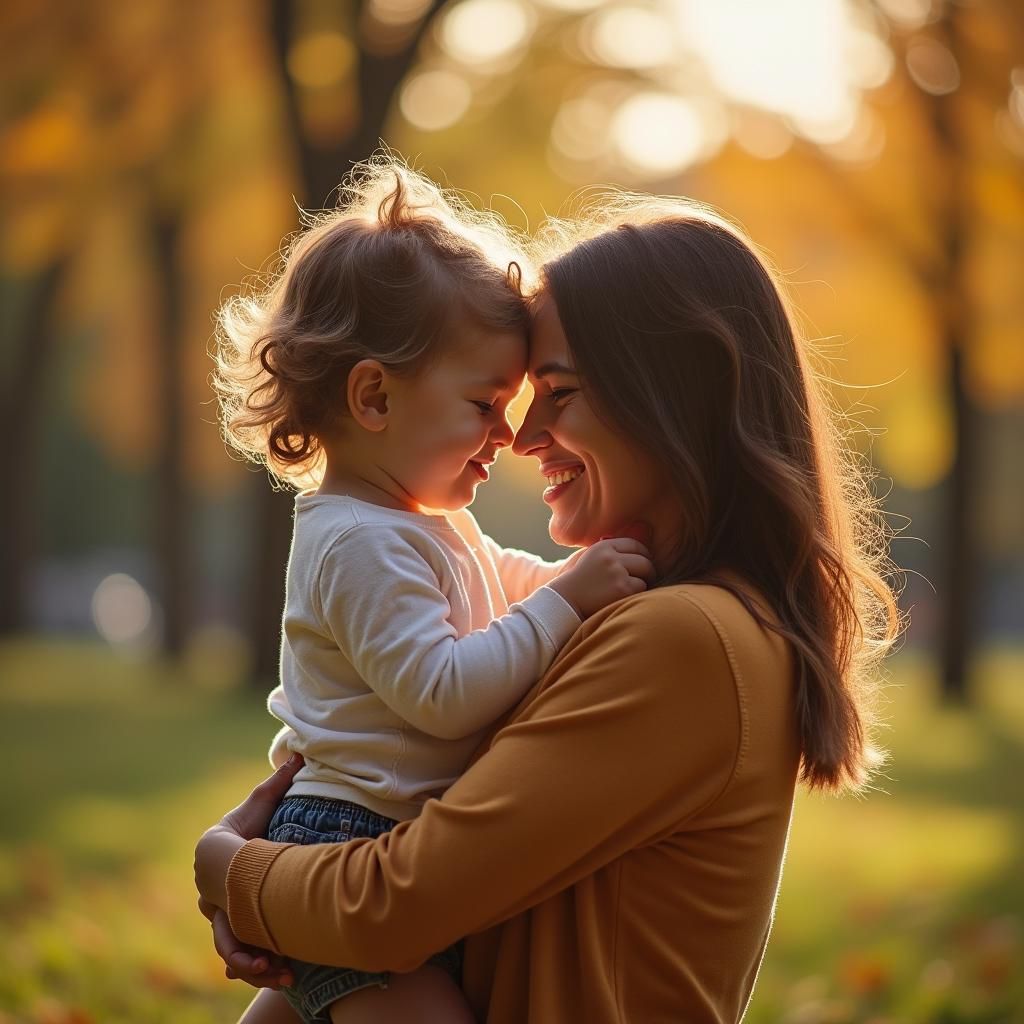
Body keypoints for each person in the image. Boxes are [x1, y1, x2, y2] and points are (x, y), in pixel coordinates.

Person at [197, 184, 900, 1023]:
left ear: (672, 402)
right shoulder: (670, 616)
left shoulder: (686, 638)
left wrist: (229, 871)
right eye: (500, 403)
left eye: (556, 395)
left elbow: (395, 906)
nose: (522, 440)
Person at [209, 163, 655, 1024]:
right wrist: (569, 603)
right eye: (485, 404)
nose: (507, 435)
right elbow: (442, 695)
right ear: (374, 395)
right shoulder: (358, 544)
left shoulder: (414, 519)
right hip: (348, 841)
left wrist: (571, 578)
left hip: (378, 845)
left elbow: (500, 583)